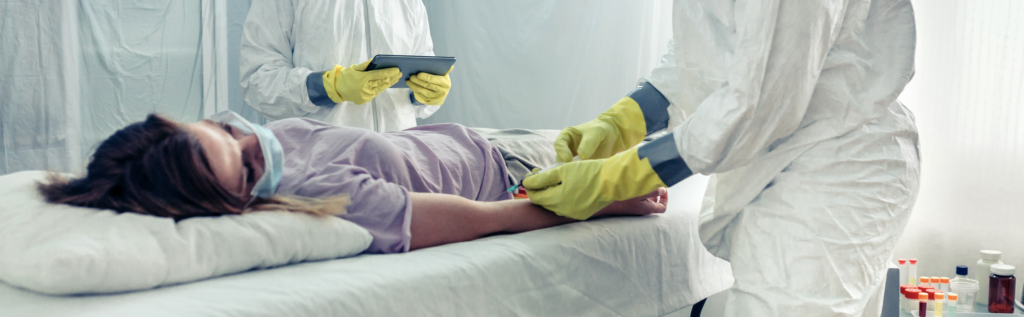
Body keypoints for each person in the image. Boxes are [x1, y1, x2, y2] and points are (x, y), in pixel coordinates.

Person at [523, 0, 920, 315]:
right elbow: (712, 45)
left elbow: (762, 97)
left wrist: (619, 176)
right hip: (791, 154)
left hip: (836, 160)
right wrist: (628, 117)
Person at [37, 112, 668, 253]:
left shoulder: (243, 150)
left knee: (628, 115)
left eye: (225, 128)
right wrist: (603, 202)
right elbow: (490, 219)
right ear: (233, 201)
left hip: (478, 131)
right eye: (246, 165)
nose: (252, 141)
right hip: (515, 170)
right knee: (670, 141)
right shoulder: (317, 201)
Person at [240, 0, 451, 132]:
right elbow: (258, 81)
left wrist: (424, 93)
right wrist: (328, 87)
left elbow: (421, 60)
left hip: (398, 161)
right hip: (321, 167)